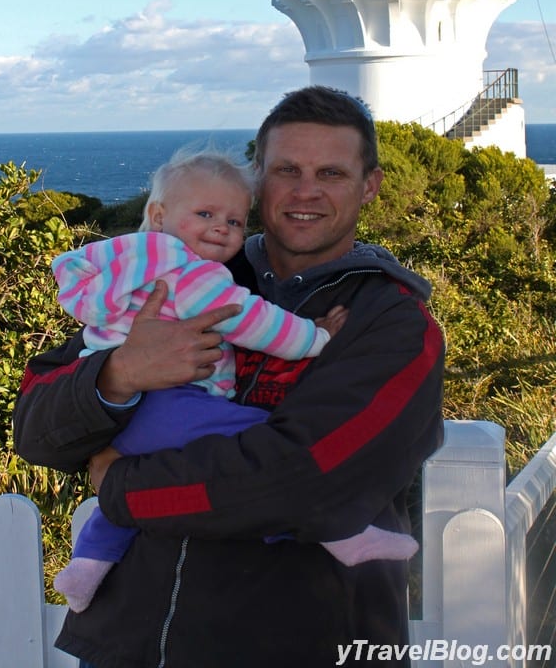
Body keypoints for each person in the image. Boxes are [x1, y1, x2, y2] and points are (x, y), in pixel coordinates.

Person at [13, 86, 445, 668]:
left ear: (370, 185)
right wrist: (121, 374)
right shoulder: (176, 272)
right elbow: (36, 430)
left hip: (300, 649)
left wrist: (120, 485)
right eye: (286, 169)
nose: (306, 190)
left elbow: (304, 483)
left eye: (332, 172)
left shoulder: (391, 322)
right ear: (258, 179)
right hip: (129, 647)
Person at [51, 150, 417, 613]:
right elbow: (253, 321)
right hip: (170, 404)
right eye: (204, 214)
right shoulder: (190, 272)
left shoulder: (124, 259)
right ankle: (337, 531)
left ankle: (85, 569)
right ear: (159, 215)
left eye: (235, 221)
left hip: (127, 416)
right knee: (260, 437)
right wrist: (317, 337)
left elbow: (69, 272)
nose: (221, 228)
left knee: (120, 496)